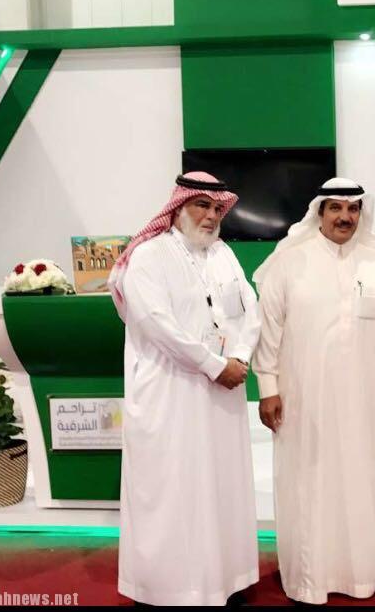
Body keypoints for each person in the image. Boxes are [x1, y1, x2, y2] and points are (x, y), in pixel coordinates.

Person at [108, 172, 260, 606]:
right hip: (170, 395)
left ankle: (222, 582)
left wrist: (240, 357)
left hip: (222, 393)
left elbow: (249, 309)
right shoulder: (149, 256)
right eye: (202, 205)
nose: (212, 215)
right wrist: (214, 365)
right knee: (172, 491)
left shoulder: (224, 254)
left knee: (220, 487)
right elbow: (155, 324)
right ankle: (166, 589)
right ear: (177, 208)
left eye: (217, 208)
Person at [252, 177, 375, 605]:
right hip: (302, 396)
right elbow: (269, 328)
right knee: (307, 482)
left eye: (353, 209)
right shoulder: (290, 261)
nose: (345, 217)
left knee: (359, 479)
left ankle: (360, 572)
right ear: (320, 212)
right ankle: (309, 577)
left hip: (362, 396)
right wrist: (268, 387)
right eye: (336, 208)